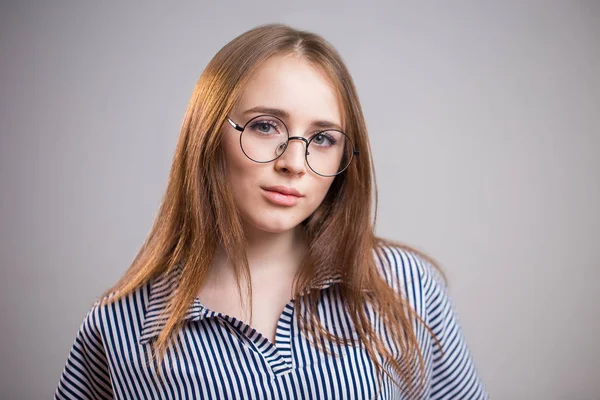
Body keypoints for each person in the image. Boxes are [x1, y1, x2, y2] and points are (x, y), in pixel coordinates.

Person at [55, 23, 488, 399]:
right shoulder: (119, 326)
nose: (293, 163)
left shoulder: (404, 287)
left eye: (323, 138)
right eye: (265, 126)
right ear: (208, 134)